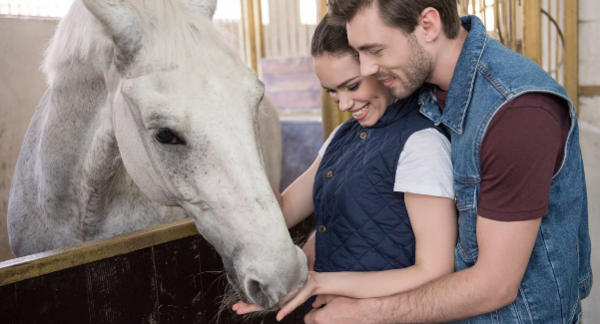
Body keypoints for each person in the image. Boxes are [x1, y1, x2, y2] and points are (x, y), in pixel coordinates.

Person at [301, 1, 593, 323]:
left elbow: (495, 286)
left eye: (376, 50)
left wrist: (363, 313)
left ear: (428, 25)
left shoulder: (517, 113)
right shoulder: (421, 84)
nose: (366, 67)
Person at [232, 14, 458, 321]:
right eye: (332, 92)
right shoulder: (343, 135)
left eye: (351, 86)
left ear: (377, 67)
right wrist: (237, 155)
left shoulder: (420, 143)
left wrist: (320, 282)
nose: (343, 104)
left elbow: (435, 270)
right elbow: (282, 210)